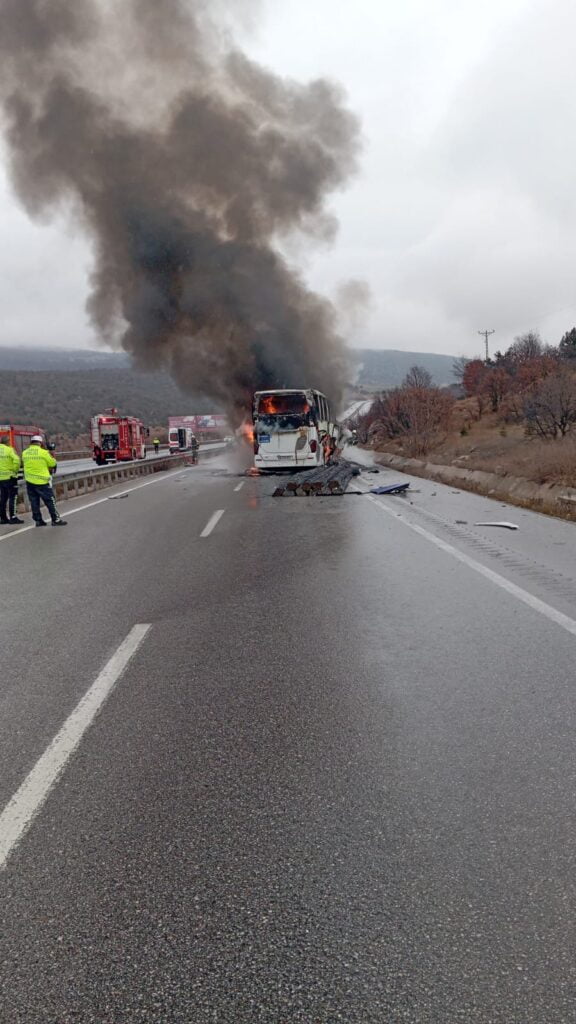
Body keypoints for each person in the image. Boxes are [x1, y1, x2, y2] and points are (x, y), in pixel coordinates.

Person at [22, 436, 67, 527]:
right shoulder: (43, 453)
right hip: (42, 482)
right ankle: (55, 519)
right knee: (50, 501)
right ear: (40, 443)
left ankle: (38, 521)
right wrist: (52, 456)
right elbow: (52, 463)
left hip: (29, 482)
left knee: (34, 502)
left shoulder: (25, 453)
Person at [0, 438, 23, 524]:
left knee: (3, 498)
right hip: (10, 477)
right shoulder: (9, 450)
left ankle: (3, 518)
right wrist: (15, 471)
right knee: (13, 497)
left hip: (0, 478)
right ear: (8, 442)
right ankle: (13, 517)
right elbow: (17, 460)